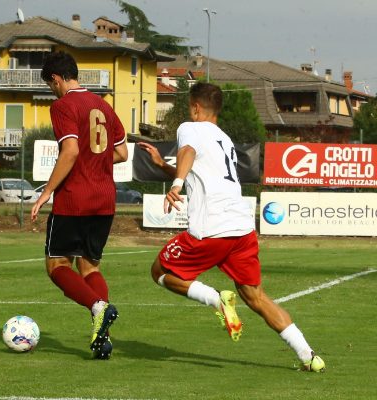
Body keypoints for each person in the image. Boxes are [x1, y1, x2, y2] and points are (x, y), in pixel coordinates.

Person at [138, 82, 325, 372]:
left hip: (211, 229)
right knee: (256, 296)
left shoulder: (189, 127)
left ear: (196, 108)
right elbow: (196, 168)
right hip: (241, 229)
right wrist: (164, 166)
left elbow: (187, 152)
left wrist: (174, 184)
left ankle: (217, 299)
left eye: (190, 107)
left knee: (159, 272)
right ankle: (308, 355)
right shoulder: (224, 139)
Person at [31, 51, 128, 359]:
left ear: (57, 79)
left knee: (57, 265)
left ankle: (98, 307)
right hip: (105, 199)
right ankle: (103, 337)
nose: (52, 90)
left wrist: (48, 190)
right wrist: (95, 159)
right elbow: (122, 153)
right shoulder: (103, 106)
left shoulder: (63, 105)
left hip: (75, 197)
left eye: (51, 84)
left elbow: (70, 150)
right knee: (90, 267)